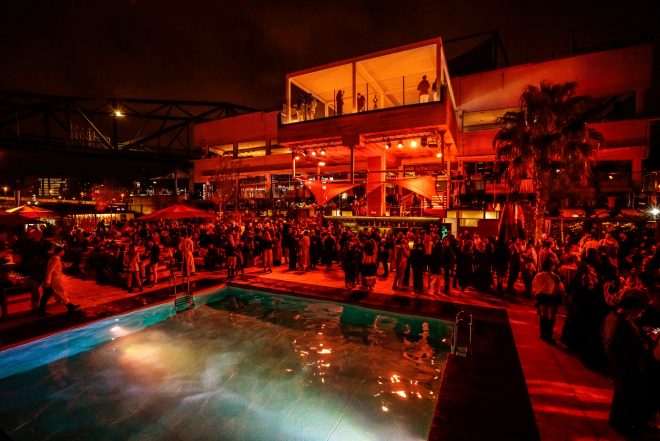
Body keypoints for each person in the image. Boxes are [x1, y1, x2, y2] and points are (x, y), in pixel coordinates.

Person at [37, 246, 79, 315]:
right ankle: (69, 306)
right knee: (61, 292)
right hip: (55, 280)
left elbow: (56, 267)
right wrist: (48, 281)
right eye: (63, 251)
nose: (63, 252)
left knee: (47, 295)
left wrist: (65, 265)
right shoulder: (55, 260)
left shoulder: (56, 258)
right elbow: (50, 271)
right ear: (60, 252)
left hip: (54, 280)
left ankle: (41, 310)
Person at [531, 260, 564, 342]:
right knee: (550, 317)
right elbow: (561, 288)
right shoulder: (555, 277)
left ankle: (542, 334)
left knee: (543, 315)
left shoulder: (538, 275)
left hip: (542, 297)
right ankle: (548, 335)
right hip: (552, 298)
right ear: (551, 266)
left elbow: (534, 285)